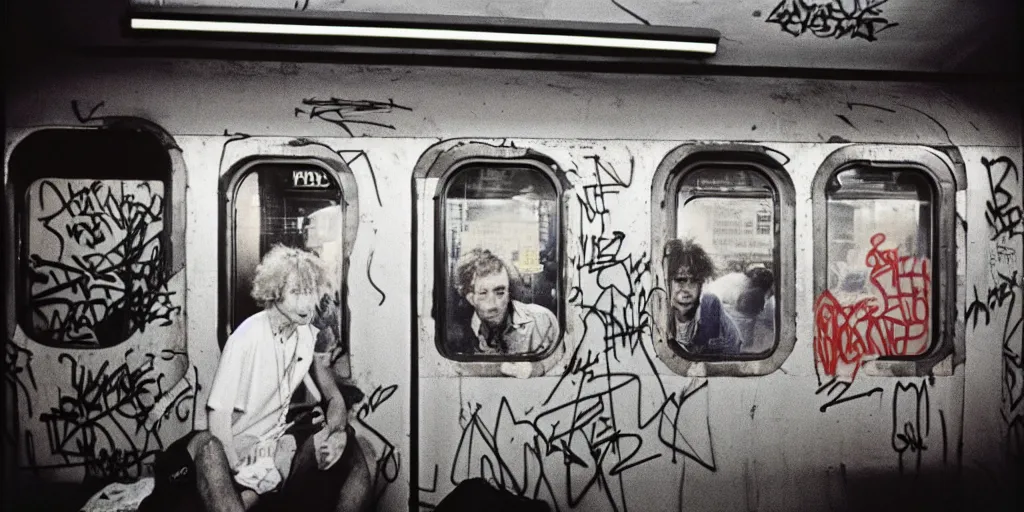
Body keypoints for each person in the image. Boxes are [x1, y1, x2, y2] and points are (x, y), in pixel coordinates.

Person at [139, 245, 370, 512]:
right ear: (275, 292)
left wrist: (337, 433)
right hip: (217, 445)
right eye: (296, 292)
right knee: (213, 456)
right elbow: (218, 418)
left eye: (310, 292)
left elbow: (333, 397)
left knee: (354, 454)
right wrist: (239, 470)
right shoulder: (245, 338)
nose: (306, 303)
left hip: (263, 447)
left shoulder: (306, 336)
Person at [447, 248, 559, 356]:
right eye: (483, 293)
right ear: (470, 298)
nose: (493, 304)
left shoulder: (541, 321)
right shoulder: (460, 336)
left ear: (509, 292)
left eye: (500, 292)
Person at [664, 239, 743, 356]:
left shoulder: (712, 311)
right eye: (680, 280)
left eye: (694, 281)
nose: (687, 290)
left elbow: (734, 348)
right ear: (668, 283)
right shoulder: (661, 315)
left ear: (701, 285)